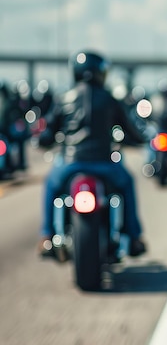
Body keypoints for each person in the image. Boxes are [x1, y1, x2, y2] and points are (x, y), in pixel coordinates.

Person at [37, 50, 147, 258]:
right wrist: (138, 140)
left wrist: (43, 140)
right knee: (128, 183)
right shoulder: (110, 99)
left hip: (71, 163)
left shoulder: (64, 99)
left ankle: (46, 236)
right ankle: (134, 237)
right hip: (104, 164)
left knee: (51, 184)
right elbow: (131, 130)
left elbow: (49, 131)